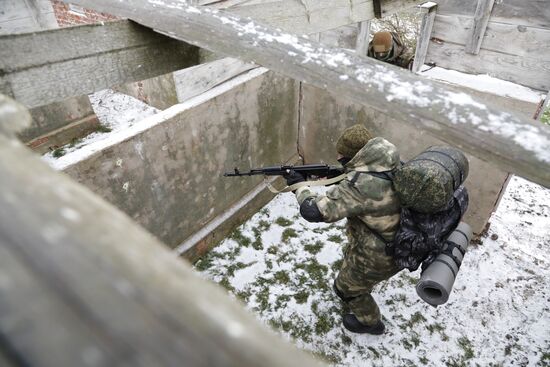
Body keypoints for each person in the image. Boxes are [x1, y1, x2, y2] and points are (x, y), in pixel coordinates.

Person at [284, 124, 402, 335]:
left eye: (342, 156)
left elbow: (315, 212)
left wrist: (299, 186)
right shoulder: (388, 163)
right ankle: (363, 284)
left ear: (355, 156)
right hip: (395, 238)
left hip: (380, 254)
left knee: (346, 289)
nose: (338, 157)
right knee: (356, 274)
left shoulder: (360, 185)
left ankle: (370, 323)